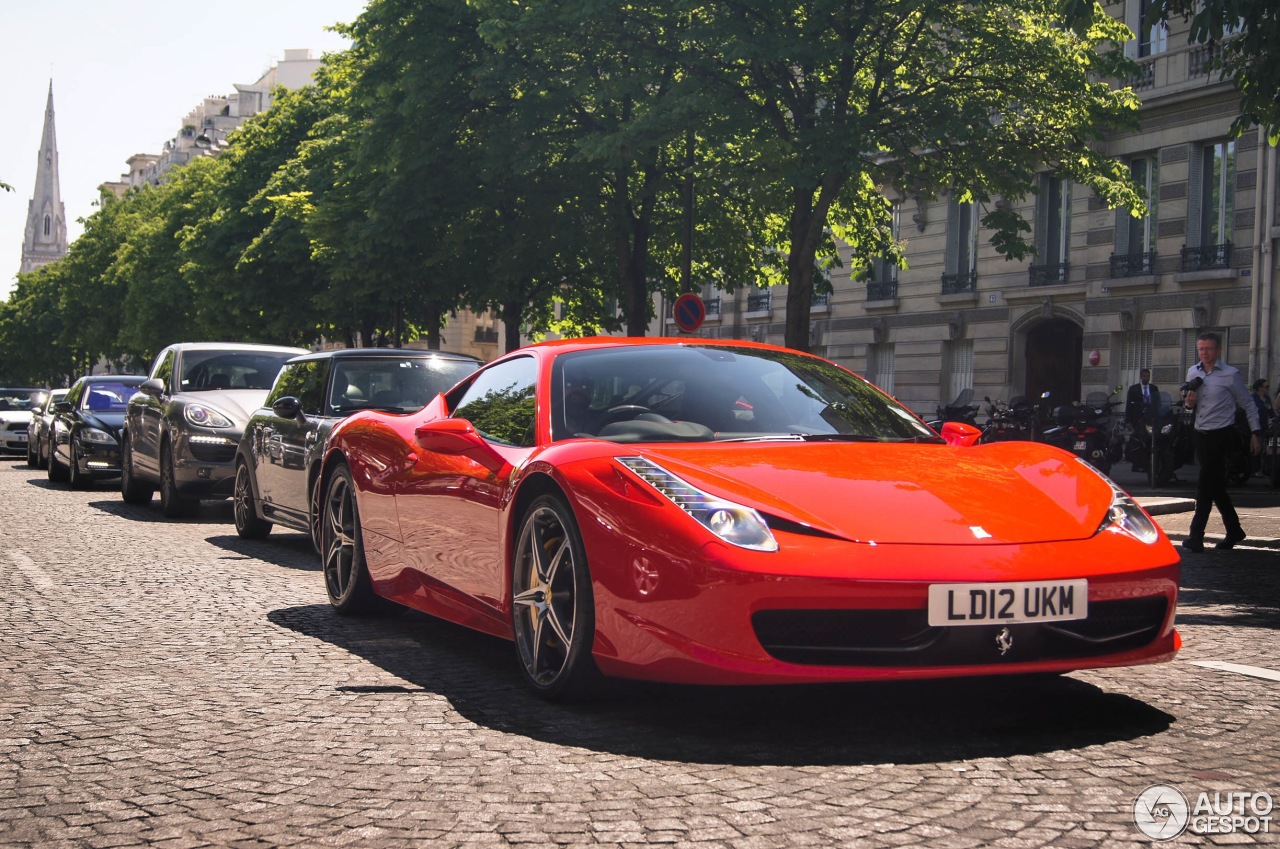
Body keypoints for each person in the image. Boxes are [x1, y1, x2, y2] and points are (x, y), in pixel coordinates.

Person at [1180, 332, 1262, 552]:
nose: (1204, 353)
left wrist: (1256, 432)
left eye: (1208, 349)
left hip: (1221, 435)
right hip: (1200, 434)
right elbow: (1188, 406)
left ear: (1218, 350)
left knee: (1205, 484)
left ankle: (1195, 537)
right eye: (1201, 349)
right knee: (1215, 487)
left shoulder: (1231, 374)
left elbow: (1248, 404)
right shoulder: (1193, 372)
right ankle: (1234, 530)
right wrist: (1189, 404)